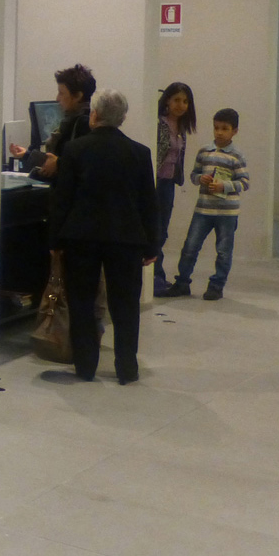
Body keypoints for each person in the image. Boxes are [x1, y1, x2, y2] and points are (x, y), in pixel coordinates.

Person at [48, 89, 159, 384]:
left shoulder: (75, 150)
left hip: (81, 237)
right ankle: (126, 367)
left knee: (82, 302)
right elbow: (149, 202)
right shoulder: (139, 153)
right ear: (123, 118)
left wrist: (55, 242)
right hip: (126, 238)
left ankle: (86, 365)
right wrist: (152, 245)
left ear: (94, 115)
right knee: (126, 305)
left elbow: (62, 200)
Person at [164, 108, 250, 300]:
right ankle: (182, 282)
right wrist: (200, 179)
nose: (219, 132)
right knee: (190, 247)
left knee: (223, 251)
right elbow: (194, 175)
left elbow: (244, 182)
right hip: (203, 209)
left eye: (225, 129)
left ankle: (216, 286)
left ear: (234, 131)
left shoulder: (237, 156)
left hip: (227, 214)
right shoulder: (204, 151)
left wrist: (224, 186)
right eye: (216, 128)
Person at [8, 63, 96, 181]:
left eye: (61, 93)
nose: (57, 98)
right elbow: (55, 161)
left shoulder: (81, 125)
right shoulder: (80, 121)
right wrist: (27, 155)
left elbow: (66, 166)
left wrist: (55, 164)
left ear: (78, 96)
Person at [151, 82, 196, 295]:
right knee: (154, 230)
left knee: (162, 232)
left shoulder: (181, 128)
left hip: (168, 184)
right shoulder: (159, 124)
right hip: (155, 183)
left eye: (185, 101)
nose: (181, 105)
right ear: (167, 100)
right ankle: (154, 277)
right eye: (177, 100)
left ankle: (157, 275)